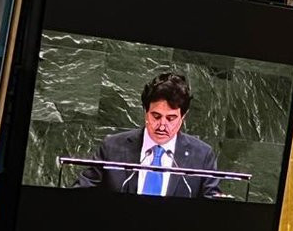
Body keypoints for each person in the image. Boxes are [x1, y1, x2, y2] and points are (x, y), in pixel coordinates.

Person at [74, 73, 220, 197]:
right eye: (156, 116)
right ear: (145, 112)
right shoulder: (112, 147)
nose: (162, 126)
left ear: (183, 117)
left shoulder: (202, 156)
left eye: (170, 118)